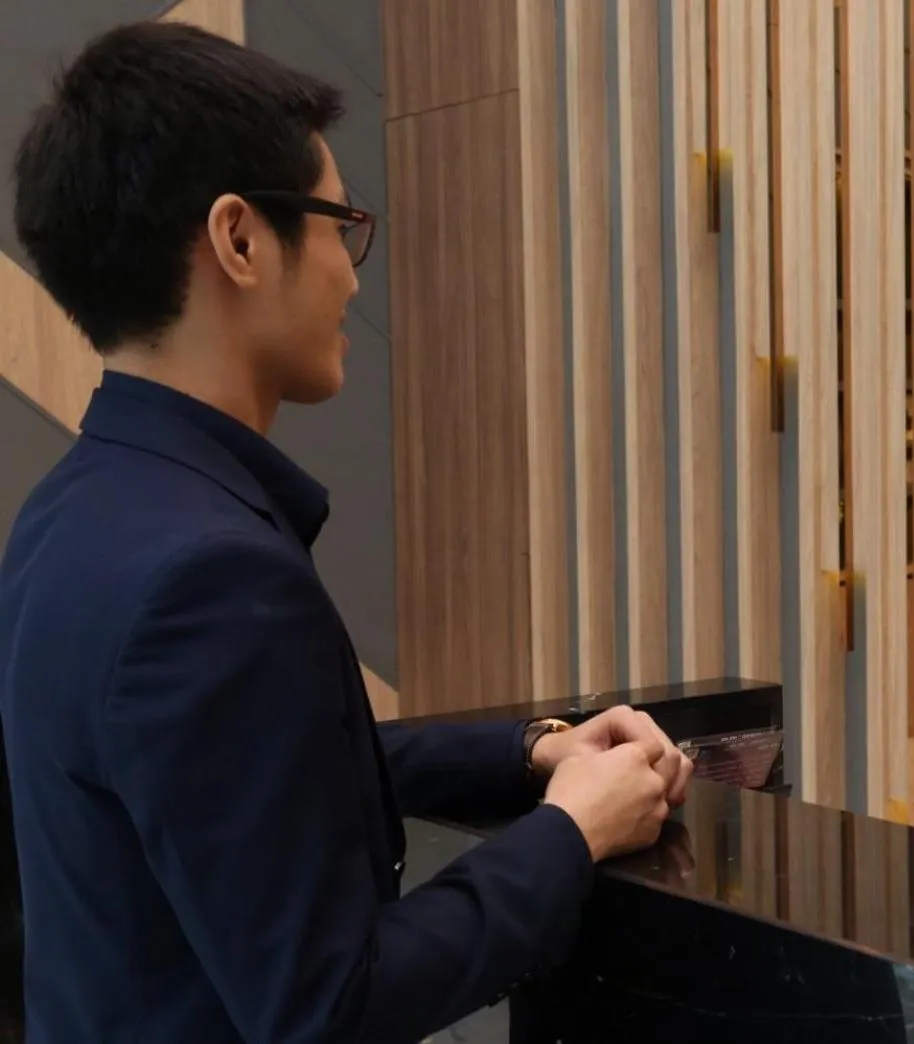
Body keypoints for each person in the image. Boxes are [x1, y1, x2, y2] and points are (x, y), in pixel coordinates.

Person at [0, 21, 693, 1043]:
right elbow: (330, 1006)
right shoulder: (209, 572)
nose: (352, 276)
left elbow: (266, 776)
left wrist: (533, 749)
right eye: (338, 224)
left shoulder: (69, 512)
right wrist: (570, 834)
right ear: (238, 239)